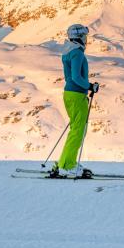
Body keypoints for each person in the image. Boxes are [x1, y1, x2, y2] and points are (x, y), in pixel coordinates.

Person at [50, 24, 99, 178]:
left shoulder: (68, 52)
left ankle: (65, 161)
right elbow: (76, 77)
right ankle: (67, 165)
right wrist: (91, 86)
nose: (86, 39)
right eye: (84, 36)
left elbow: (70, 77)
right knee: (78, 131)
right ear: (79, 37)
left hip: (70, 94)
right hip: (77, 95)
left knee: (76, 130)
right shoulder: (77, 53)